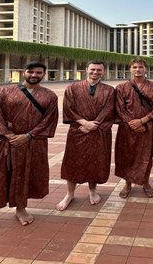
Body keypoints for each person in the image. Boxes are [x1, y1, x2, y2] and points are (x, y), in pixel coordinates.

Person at [0, 62, 59, 241]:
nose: (34, 75)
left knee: (25, 175)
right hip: (3, 142)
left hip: (32, 143)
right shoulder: (4, 92)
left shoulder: (50, 96)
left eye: (38, 72)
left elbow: (49, 120)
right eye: (30, 71)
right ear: (23, 72)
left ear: (44, 75)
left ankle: (20, 208)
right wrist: (9, 135)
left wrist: (29, 135)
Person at [56, 60, 115, 210]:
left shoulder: (109, 90)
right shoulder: (73, 88)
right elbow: (68, 108)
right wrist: (83, 123)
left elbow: (109, 110)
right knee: (72, 161)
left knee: (95, 161)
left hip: (98, 130)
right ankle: (69, 194)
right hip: (78, 130)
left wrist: (93, 125)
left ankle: (93, 190)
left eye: (99, 70)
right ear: (86, 70)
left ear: (103, 72)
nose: (95, 72)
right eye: (93, 69)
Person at [115, 58, 153, 198]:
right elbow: (119, 108)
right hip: (127, 127)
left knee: (146, 156)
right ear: (130, 69)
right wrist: (132, 123)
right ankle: (128, 184)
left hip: (147, 127)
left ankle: (146, 182)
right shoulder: (121, 87)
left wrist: (142, 121)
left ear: (146, 69)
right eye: (135, 67)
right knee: (127, 155)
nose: (137, 70)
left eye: (141, 67)